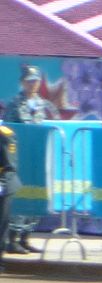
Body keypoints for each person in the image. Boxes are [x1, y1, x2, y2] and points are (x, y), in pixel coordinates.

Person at [4, 65, 56, 256]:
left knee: (35, 194)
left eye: (36, 81)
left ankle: (26, 237)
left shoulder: (41, 104)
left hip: (36, 155)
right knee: (19, 196)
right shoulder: (15, 104)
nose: (33, 84)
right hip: (19, 156)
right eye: (29, 81)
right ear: (22, 82)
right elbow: (9, 131)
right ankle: (12, 239)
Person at [0, 122, 17, 274]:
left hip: (3, 184)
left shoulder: (4, 134)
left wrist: (1, 185)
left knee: (1, 225)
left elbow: (9, 165)